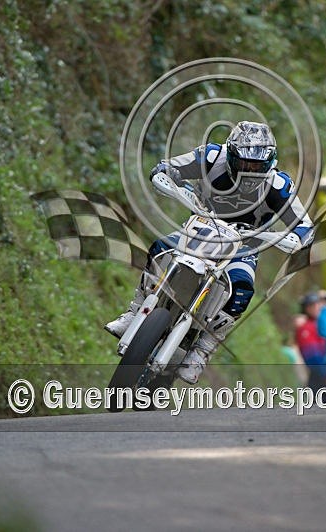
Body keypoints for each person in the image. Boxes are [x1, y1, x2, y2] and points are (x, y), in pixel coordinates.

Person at [105, 121, 314, 384]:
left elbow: (304, 225)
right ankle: (135, 311)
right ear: (232, 154)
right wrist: (167, 176)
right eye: (244, 163)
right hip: (201, 228)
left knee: (241, 287)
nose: (249, 171)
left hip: (244, 244)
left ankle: (203, 350)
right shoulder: (212, 156)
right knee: (161, 247)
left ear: (269, 162)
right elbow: (169, 167)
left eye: (256, 166)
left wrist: (294, 238)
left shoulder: (279, 185)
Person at [295, 292, 326, 391]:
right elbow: (312, 356)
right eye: (312, 305)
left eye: (317, 304)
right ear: (306, 308)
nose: (316, 307)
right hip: (320, 377)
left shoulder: (324, 323)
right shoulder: (305, 328)